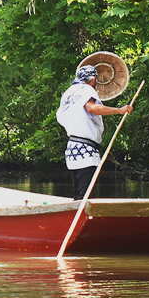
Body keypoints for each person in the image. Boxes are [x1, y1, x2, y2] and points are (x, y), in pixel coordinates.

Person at [56, 64, 133, 201]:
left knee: (79, 194)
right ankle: (82, 213)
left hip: (72, 148)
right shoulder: (86, 89)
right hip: (85, 150)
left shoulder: (68, 93)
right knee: (85, 196)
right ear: (92, 79)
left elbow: (60, 118)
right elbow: (91, 108)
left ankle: (77, 210)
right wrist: (119, 110)